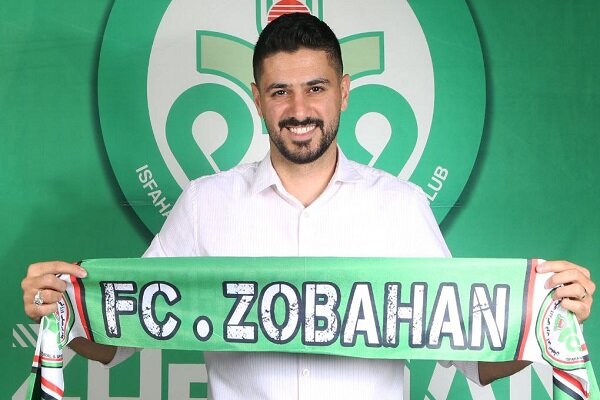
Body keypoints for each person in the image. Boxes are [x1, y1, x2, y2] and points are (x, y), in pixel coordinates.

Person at [22, 12, 595, 400]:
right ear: (257, 100)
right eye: (280, 92)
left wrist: (540, 318)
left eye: (316, 88)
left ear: (343, 91)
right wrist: (63, 310)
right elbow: (119, 339)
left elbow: (474, 359)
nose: (299, 110)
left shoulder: (399, 206)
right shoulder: (204, 204)